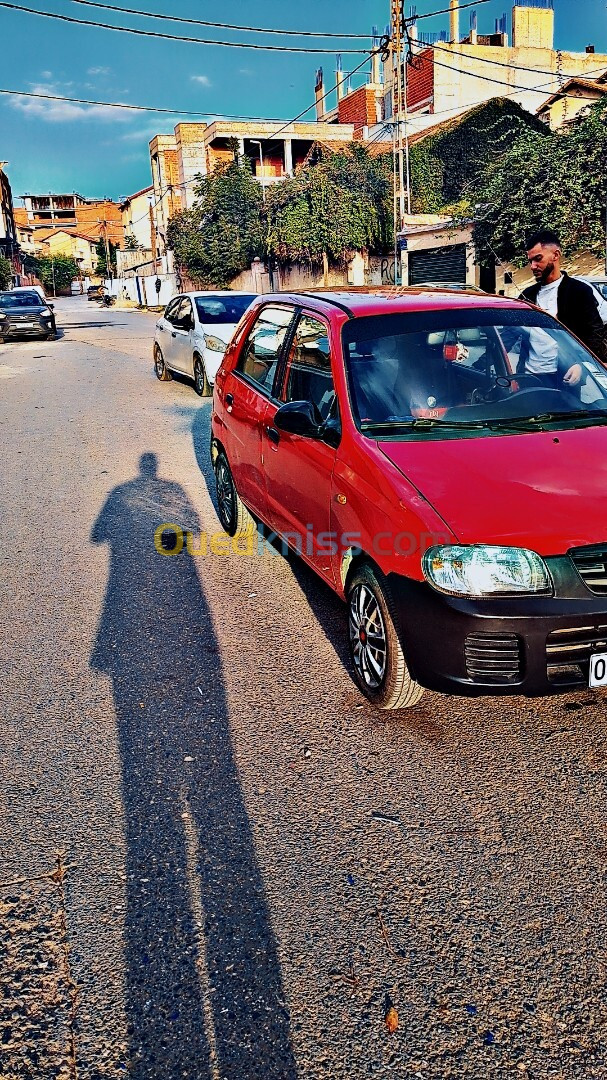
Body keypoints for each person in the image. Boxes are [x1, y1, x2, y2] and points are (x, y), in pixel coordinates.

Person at [517, 229, 607, 385]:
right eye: (530, 261)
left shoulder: (579, 292)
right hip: (529, 376)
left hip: (566, 375)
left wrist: (582, 365)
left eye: (538, 259)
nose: (532, 266)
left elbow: (595, 334)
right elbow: (508, 334)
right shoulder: (527, 295)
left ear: (556, 255)